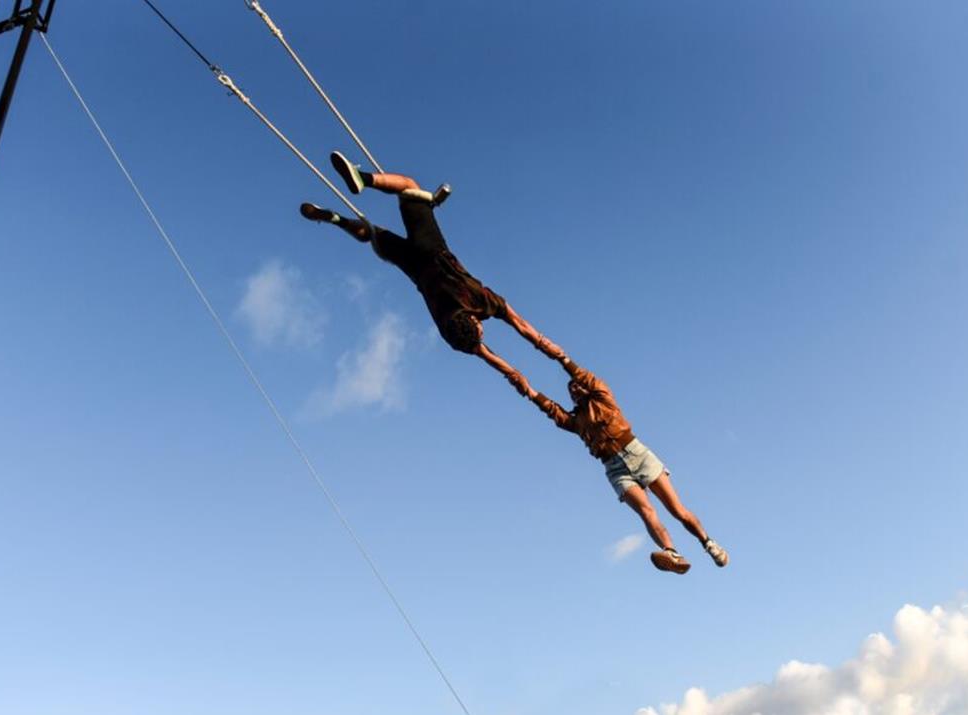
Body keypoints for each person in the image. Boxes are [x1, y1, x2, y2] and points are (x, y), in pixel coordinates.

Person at [299, 152, 565, 385]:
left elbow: (521, 326)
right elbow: (485, 355)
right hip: (414, 268)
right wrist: (515, 373)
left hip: (432, 250)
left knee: (409, 187)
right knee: (371, 233)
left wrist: (557, 357)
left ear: (473, 320)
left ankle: (362, 178)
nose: (483, 332)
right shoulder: (447, 327)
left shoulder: (482, 300)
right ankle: (333, 218)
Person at [513, 355, 729, 574]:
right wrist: (528, 390)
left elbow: (573, 369)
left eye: (577, 386)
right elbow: (549, 408)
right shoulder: (576, 422)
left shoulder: (602, 397)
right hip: (615, 470)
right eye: (570, 390)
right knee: (647, 511)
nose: (574, 390)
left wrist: (565, 364)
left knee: (678, 511)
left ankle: (708, 542)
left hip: (638, 454)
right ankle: (671, 552)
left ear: (586, 389)